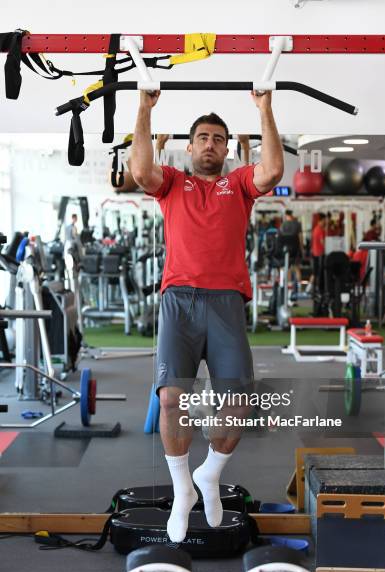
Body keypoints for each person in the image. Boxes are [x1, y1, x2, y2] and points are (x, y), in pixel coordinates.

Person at [129, 90, 284, 543]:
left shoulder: (237, 186)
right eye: (202, 138)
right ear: (191, 146)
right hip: (178, 300)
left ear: (227, 148)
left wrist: (264, 108)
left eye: (218, 138)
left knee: (236, 403)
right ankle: (183, 489)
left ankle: (209, 474)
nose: (211, 144)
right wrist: (144, 107)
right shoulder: (174, 183)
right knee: (173, 398)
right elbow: (140, 170)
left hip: (226, 303)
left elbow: (272, 170)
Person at [278, 210, 303, 299]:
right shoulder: (297, 224)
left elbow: (279, 239)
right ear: (292, 215)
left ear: (286, 215)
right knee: (296, 268)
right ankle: (299, 289)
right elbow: (300, 238)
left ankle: (288, 288)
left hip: (285, 250)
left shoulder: (283, 225)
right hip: (295, 249)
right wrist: (301, 249)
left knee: (287, 268)